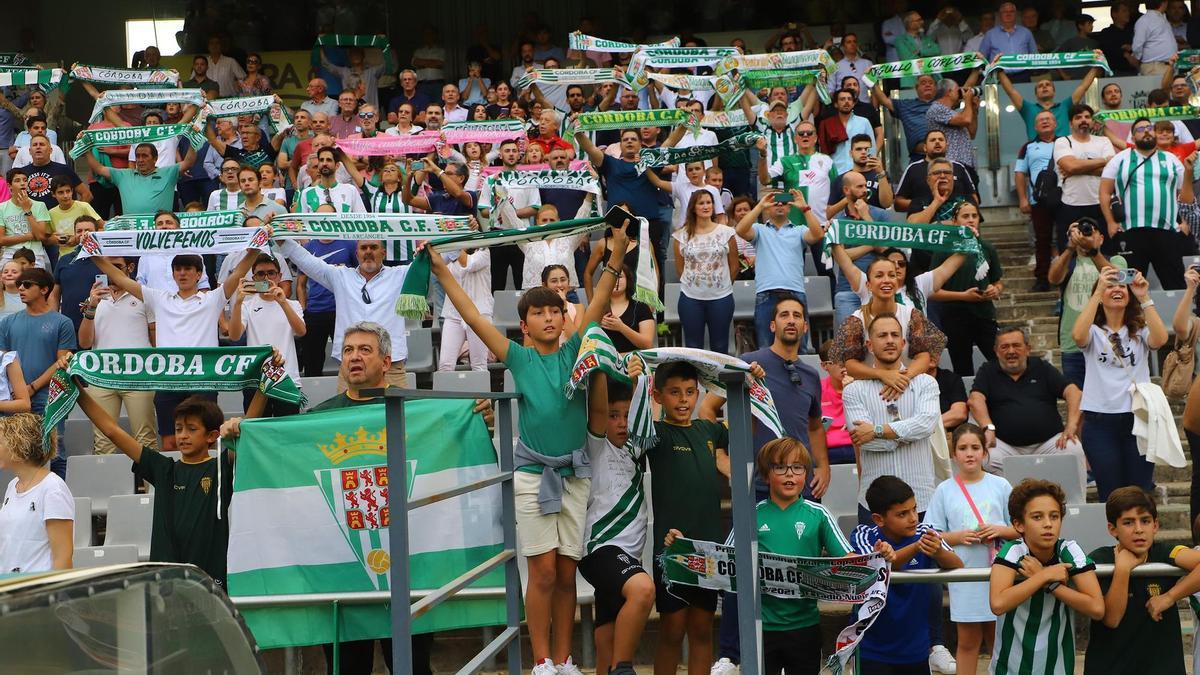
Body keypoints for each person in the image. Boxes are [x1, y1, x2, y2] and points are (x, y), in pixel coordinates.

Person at [429, 218, 632, 675]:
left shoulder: (577, 348)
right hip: (532, 475)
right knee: (540, 572)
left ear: (564, 318)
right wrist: (443, 272)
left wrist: (616, 252)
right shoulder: (517, 356)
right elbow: (475, 317)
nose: (547, 317)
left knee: (565, 575)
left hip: (575, 474)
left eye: (554, 312)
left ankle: (564, 660)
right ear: (524, 324)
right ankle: (540, 660)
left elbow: (599, 299)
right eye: (538, 313)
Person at [93, 241, 257, 452]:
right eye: (178, 269)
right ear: (172, 274)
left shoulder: (212, 299)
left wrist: (256, 247)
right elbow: (120, 279)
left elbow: (239, 272)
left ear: (199, 274)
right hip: (169, 380)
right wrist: (93, 255)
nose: (182, 273)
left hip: (203, 380)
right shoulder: (160, 299)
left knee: (206, 439)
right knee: (170, 443)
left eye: (188, 269)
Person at [648, 361, 728, 675]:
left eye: (690, 392)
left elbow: (737, 404)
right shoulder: (655, 433)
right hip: (672, 551)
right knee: (672, 629)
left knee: (702, 629)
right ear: (658, 396)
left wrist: (749, 377)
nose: (683, 399)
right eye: (674, 392)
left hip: (708, 549)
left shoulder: (708, 429)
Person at [751, 437, 852, 674]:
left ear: (806, 474)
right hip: (761, 626)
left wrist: (879, 556)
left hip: (805, 625)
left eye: (797, 468)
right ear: (766, 475)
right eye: (780, 467)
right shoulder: (751, 514)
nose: (790, 474)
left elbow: (849, 560)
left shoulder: (818, 514)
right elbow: (726, 560)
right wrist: (680, 545)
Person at [577, 363, 653, 675]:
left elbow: (642, 413)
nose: (621, 423)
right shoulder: (596, 445)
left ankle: (611, 666)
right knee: (643, 590)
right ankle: (624, 669)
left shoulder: (636, 446)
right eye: (613, 416)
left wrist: (636, 378)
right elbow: (596, 408)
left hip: (627, 553)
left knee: (607, 625)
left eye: (625, 416)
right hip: (600, 548)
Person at [924, 423, 1018, 675]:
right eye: (963, 448)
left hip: (1000, 573)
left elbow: (1020, 527)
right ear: (954, 453)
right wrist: (957, 536)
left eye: (975, 447)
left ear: (984, 452)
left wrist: (998, 530)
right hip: (963, 576)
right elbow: (930, 534)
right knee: (967, 642)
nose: (969, 453)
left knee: (998, 640)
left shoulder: (1000, 485)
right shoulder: (945, 490)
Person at [1072, 264, 1168, 500]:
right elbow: (1077, 336)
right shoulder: (1093, 331)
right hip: (1099, 422)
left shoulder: (1139, 329)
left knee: (1141, 491)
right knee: (1111, 493)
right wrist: (1096, 292)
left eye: (1122, 286)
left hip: (1139, 418)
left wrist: (1144, 296)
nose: (1117, 290)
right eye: (1110, 286)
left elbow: (1160, 339)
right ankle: (1114, 538)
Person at [989, 479, 1104, 674]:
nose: (1048, 524)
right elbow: (998, 603)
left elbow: (1097, 608)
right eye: (1037, 517)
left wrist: (1051, 585)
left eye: (1054, 516)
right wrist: (1043, 576)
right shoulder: (1013, 550)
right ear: (1019, 524)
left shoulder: (1069, 549)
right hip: (1010, 668)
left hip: (1057, 667)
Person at [850, 475, 963, 673]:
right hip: (872, 648)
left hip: (916, 648)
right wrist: (913, 548)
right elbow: (877, 569)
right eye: (902, 514)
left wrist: (938, 551)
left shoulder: (925, 532)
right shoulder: (863, 534)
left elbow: (957, 566)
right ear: (878, 519)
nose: (913, 518)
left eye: (914, 509)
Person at [1085, 486, 1200, 675]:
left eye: (1145, 521)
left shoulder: (1164, 552)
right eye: (1128, 522)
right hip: (1111, 668)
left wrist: (1170, 597)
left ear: (1155, 525)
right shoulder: (1099, 559)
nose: (1138, 530)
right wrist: (1122, 569)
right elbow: (1112, 619)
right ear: (1112, 529)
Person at [277, 235, 411, 391]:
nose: (368, 252)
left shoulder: (400, 275)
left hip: (390, 367)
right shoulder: (340, 276)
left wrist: (428, 248)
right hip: (351, 368)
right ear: (356, 254)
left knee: (397, 415)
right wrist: (279, 236)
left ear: (383, 253)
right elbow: (304, 259)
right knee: (350, 415)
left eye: (373, 247)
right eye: (363, 248)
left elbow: (434, 263)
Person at [843, 313, 942, 520]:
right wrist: (907, 435)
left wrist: (878, 431)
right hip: (874, 504)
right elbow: (864, 441)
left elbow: (926, 426)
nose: (889, 340)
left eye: (895, 335)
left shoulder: (926, 383)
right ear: (869, 345)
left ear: (903, 342)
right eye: (882, 335)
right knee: (875, 555)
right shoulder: (853, 391)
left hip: (922, 499)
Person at [970, 325, 1087, 487]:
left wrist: (1071, 426)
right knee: (986, 456)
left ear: (1028, 349)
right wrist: (987, 427)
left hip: (1049, 443)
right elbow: (975, 399)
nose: (1011, 351)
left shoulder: (1041, 367)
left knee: (1073, 449)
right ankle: (1007, 508)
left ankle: (1076, 507)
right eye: (1004, 347)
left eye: (1016, 345)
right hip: (1005, 446)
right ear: (996, 351)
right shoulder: (988, 370)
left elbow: (1074, 393)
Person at [1100, 117, 1195, 290]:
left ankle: (1180, 318)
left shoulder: (1171, 159)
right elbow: (1105, 192)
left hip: (1167, 231)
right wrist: (1110, 222)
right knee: (1127, 286)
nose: (1146, 131)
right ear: (1133, 137)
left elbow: (1185, 194)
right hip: (1129, 232)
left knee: (1176, 285)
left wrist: (1185, 222)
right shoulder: (1120, 159)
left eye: (1150, 128)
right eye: (1140, 129)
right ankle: (1129, 318)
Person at [77, 255, 157, 455]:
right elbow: (84, 343)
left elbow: (156, 340)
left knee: (145, 438)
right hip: (102, 375)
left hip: (139, 375)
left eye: (117, 267)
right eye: (107, 267)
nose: (110, 272)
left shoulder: (144, 297)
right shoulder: (94, 299)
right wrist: (91, 307)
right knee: (103, 440)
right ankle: (107, 487)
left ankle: (153, 487)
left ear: (130, 267)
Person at [0, 267, 75, 475]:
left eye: (27, 284)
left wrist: (32, 387)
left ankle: (57, 497)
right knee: (15, 452)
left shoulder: (62, 322)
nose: (20, 288)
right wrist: (20, 392)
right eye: (20, 284)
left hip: (50, 397)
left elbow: (63, 361)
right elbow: (3, 363)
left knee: (54, 452)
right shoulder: (8, 322)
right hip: (15, 399)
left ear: (44, 290)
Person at [736, 186, 825, 349]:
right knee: (765, 348)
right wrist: (760, 206)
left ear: (789, 207)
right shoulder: (759, 230)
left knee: (799, 349)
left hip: (795, 292)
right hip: (766, 293)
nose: (779, 205)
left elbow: (818, 235)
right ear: (768, 207)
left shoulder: (799, 230)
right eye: (774, 202)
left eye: (783, 202)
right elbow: (740, 230)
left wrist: (805, 208)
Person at [927, 201, 1004, 376]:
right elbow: (932, 291)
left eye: (974, 216)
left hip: (984, 314)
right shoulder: (944, 249)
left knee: (999, 360)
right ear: (955, 221)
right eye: (965, 216)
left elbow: (998, 281)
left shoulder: (987, 248)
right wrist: (963, 296)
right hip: (955, 316)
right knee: (962, 367)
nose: (970, 220)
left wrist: (996, 289)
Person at [227, 254, 305, 417]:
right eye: (261, 274)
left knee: (287, 434)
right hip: (256, 380)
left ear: (279, 276)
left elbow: (301, 331)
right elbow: (234, 336)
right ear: (254, 278)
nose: (267, 277)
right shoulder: (247, 305)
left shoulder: (292, 304)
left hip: (287, 377)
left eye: (271, 273)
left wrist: (282, 302)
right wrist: (238, 303)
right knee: (256, 433)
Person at [0, 413, 73, 573]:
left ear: (17, 445)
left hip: (38, 591)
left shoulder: (53, 489)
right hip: (9, 589)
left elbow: (63, 557)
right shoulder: (13, 486)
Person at [673, 190, 737, 353]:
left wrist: (723, 285)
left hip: (721, 297)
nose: (706, 206)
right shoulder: (681, 236)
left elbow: (734, 265)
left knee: (720, 346)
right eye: (701, 203)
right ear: (693, 207)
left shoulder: (726, 232)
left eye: (709, 202)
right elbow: (680, 269)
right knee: (693, 348)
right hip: (690, 298)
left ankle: (719, 379)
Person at [1050, 219, 1112, 388]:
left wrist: (1092, 251)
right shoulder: (1066, 262)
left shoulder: (1114, 260)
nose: (1084, 235)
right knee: (1077, 399)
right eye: (1079, 231)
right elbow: (1053, 278)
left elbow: (1116, 278)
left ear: (1101, 238)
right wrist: (1069, 247)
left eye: (1089, 231)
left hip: (1106, 342)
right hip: (1072, 343)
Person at [1054, 104, 1115, 255]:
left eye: (1087, 117)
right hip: (1071, 205)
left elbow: (1111, 170)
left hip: (1100, 205)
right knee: (1071, 253)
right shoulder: (1063, 142)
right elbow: (1070, 166)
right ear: (1070, 123)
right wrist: (1103, 160)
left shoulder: (1103, 141)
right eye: (1078, 117)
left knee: (1103, 252)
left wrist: (1078, 168)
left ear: (1092, 121)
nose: (1083, 120)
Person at [85, 142, 198, 216]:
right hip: (132, 232)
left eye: (144, 156)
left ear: (155, 159)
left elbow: (188, 162)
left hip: (160, 229)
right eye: (137, 156)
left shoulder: (168, 173)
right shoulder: (123, 175)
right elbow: (98, 168)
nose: (140, 160)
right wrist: (86, 148)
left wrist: (194, 140)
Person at [1015, 111, 1060, 291]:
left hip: (1064, 197)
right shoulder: (1028, 147)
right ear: (1035, 127)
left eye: (1048, 119)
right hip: (1038, 200)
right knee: (1042, 240)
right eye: (1040, 120)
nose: (1045, 122)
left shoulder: (1065, 143)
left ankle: (1067, 275)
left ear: (1055, 123)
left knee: (1067, 238)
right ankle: (1042, 278)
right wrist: (1022, 199)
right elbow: (1019, 173)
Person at [894, 130, 979, 214]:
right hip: (924, 224)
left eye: (941, 140)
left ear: (947, 145)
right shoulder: (913, 169)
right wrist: (923, 206)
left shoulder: (959, 167)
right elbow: (898, 203)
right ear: (925, 147)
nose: (937, 142)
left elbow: (974, 199)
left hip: (955, 224)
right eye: (933, 140)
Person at [438, 248, 491, 372]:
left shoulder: (484, 251)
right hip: (453, 313)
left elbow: (467, 263)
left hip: (480, 313)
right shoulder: (450, 251)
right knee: (445, 365)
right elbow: (437, 264)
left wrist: (455, 244)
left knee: (479, 365)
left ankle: (479, 392)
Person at [926, 78, 979, 176]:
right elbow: (966, 119)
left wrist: (974, 110)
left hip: (966, 165)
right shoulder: (936, 109)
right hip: (951, 166)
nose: (961, 93)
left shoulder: (953, 113)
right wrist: (967, 100)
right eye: (957, 90)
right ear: (949, 92)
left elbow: (972, 133)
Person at [0, 167, 50, 268]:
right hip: (10, 255)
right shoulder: (1, 207)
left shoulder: (40, 205)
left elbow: (40, 236)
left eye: (25, 180)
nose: (22, 183)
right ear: (9, 186)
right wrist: (28, 236)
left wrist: (27, 210)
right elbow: (1, 240)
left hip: (35, 255)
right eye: (17, 181)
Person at [817, 340, 856, 465]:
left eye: (846, 360)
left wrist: (851, 392)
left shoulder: (860, 388)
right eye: (836, 362)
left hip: (856, 447)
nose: (843, 366)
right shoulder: (817, 389)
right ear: (824, 366)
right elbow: (817, 428)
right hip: (828, 450)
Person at [601, 264, 654, 353]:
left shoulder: (641, 307)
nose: (616, 280)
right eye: (612, 277)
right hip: (605, 361)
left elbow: (647, 344)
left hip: (634, 360)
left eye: (620, 276)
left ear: (628, 280)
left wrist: (621, 327)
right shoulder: (597, 308)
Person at [895, 11, 942, 88]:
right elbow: (908, 58)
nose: (922, 22)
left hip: (931, 80)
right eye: (918, 20)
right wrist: (928, 55)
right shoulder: (900, 40)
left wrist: (920, 52)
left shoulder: (926, 38)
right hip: (911, 81)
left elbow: (937, 51)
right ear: (910, 24)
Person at [1134, 0, 1178, 75]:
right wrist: (1140, 61)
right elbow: (1137, 46)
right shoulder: (1144, 20)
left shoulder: (1162, 17)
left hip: (1169, 65)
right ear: (1164, 2)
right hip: (1155, 66)